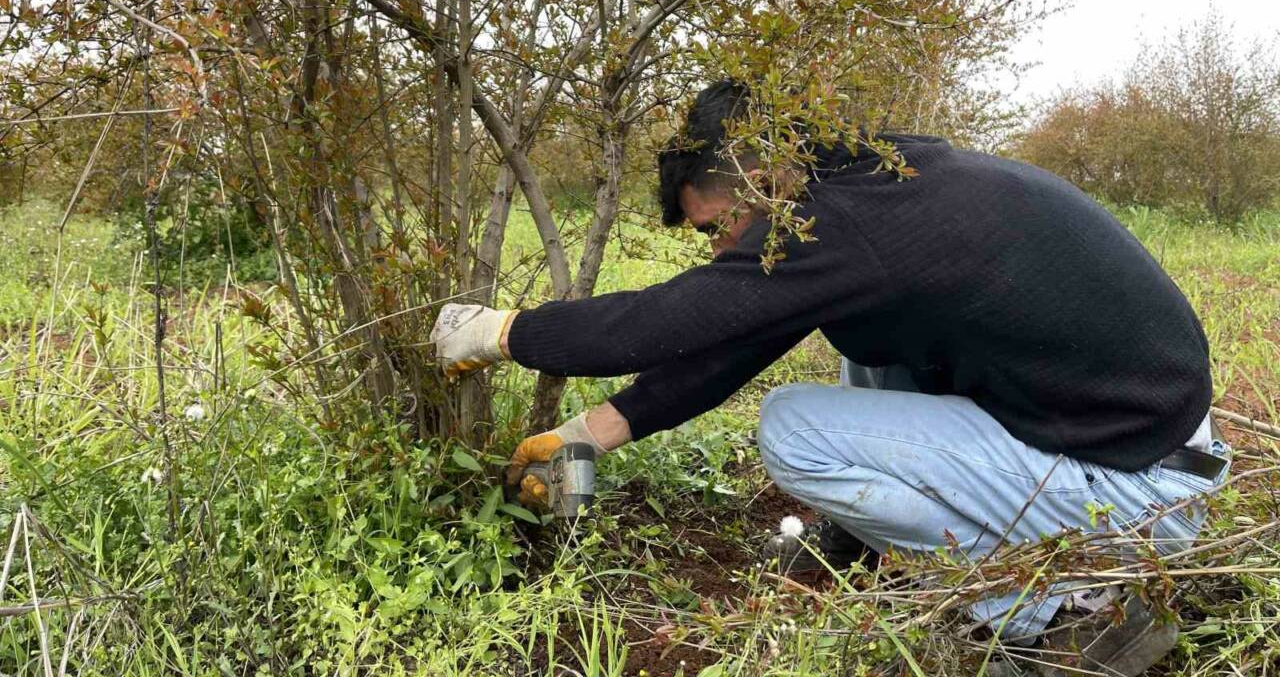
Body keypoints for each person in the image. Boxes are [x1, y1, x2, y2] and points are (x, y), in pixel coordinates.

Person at [429, 79, 1230, 666]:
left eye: (721, 225)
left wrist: (504, 331)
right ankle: (875, 540)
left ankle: (1049, 606)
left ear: (761, 176)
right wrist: (586, 437)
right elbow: (736, 339)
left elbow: (659, 324)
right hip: (1138, 442)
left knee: (793, 427)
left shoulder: (839, 223)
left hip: (1135, 498)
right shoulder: (871, 188)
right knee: (866, 345)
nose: (721, 250)